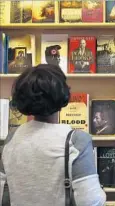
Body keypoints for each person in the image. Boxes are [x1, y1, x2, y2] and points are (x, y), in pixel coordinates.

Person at [0, 64, 106, 205]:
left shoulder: (11, 138)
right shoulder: (76, 140)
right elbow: (91, 201)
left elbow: (3, 196)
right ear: (63, 94)